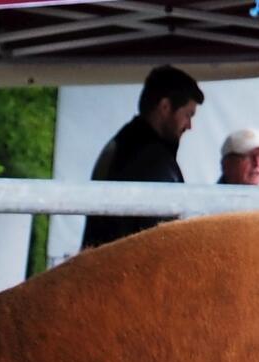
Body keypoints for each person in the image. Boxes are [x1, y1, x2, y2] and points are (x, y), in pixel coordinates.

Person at [80, 64, 204, 249]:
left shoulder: (123, 143)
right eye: (188, 114)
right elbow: (164, 240)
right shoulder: (151, 160)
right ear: (165, 106)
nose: (189, 125)